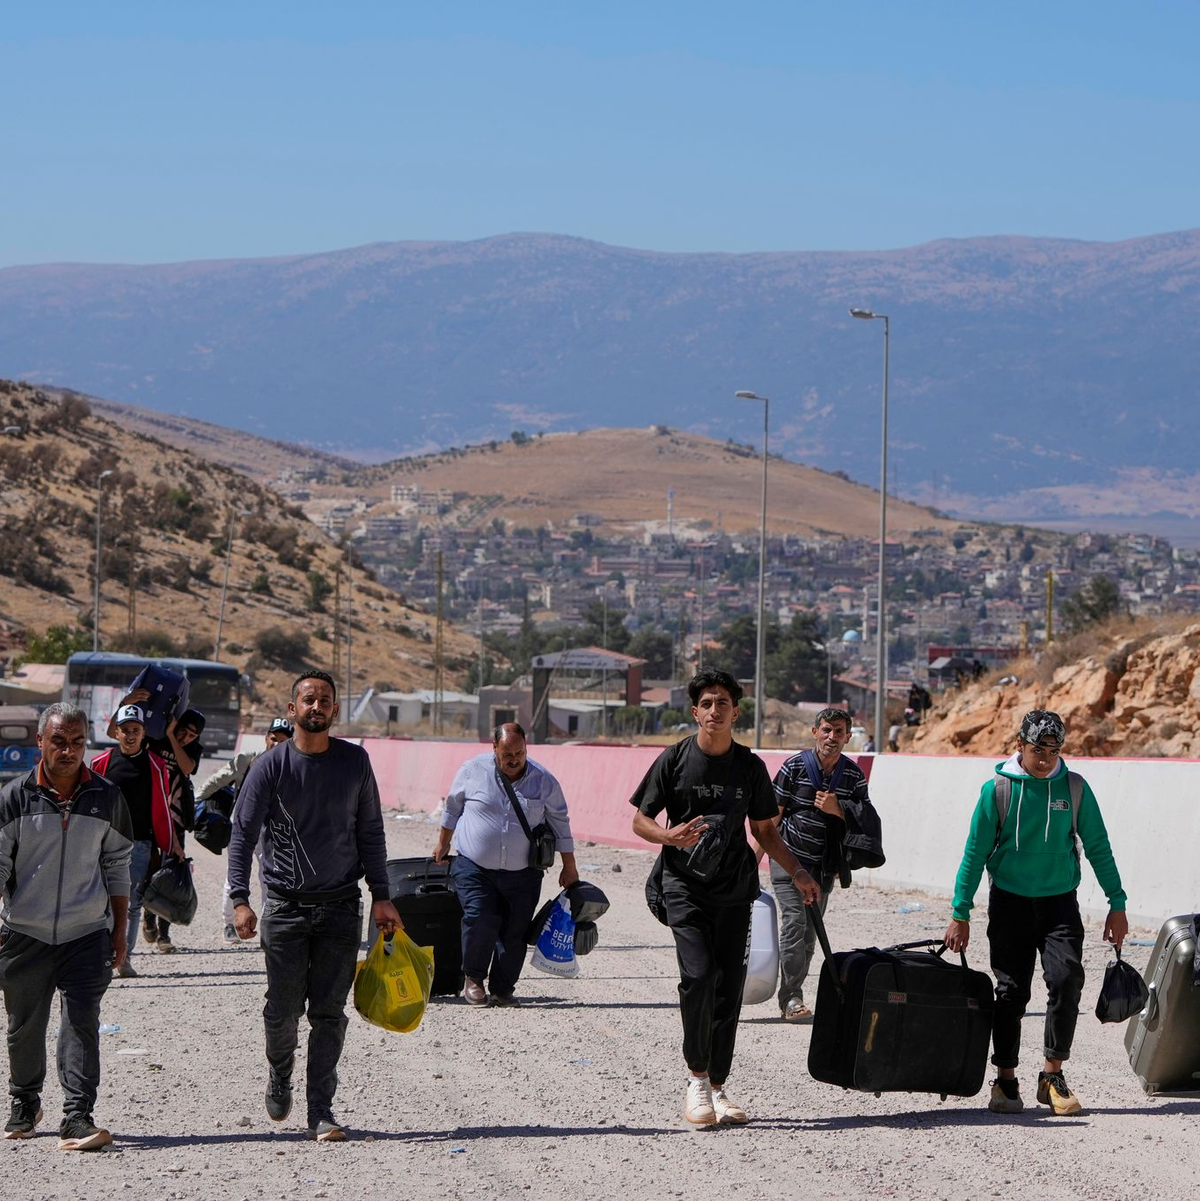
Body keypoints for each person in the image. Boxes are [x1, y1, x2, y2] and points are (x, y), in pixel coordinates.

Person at [631, 668, 821, 1127]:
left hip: (735, 890)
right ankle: (696, 1079)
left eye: (723, 704)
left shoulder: (750, 767)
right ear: (695, 711)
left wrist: (797, 872)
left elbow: (764, 831)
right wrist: (668, 835)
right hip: (683, 885)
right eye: (707, 703)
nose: (715, 711)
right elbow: (640, 820)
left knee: (728, 986)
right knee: (698, 977)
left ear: (736, 712)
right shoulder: (674, 759)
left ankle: (718, 1085)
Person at [228, 671, 401, 1142]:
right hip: (284, 908)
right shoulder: (270, 767)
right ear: (292, 709)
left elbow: (371, 833)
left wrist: (382, 895)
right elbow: (242, 834)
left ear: (335, 711)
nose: (317, 706)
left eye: (325, 699)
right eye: (308, 699)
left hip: (341, 907)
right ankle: (280, 1073)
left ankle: (320, 1109)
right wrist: (240, 899)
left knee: (329, 1013)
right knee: (282, 1010)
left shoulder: (355, 763)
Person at [943, 709, 1128, 1117]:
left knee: (1067, 979)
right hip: (1009, 902)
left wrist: (1118, 903)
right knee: (1011, 992)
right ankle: (1006, 1081)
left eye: (1053, 749)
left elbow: (1098, 846)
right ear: (1020, 747)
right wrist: (960, 911)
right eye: (1036, 749)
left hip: (1060, 902)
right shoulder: (998, 790)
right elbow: (975, 853)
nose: (1045, 758)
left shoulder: (1075, 788)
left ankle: (1052, 1076)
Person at [0, 703, 132, 1150]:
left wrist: (118, 929)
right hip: (24, 934)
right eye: (59, 741)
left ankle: (77, 1116)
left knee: (81, 1024)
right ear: (40, 742)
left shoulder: (107, 797)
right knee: (24, 1026)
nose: (68, 751)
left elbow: (116, 864)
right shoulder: (14, 797)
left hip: (86, 933)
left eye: (77, 742)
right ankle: (24, 1103)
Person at [434, 722, 577, 1007]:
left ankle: (502, 988)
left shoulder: (544, 781)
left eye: (519, 753)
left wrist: (569, 866)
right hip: (475, 866)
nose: (514, 760)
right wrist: (443, 842)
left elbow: (561, 824)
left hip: (524, 873)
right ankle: (473, 978)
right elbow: (453, 807)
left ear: (526, 748)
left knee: (515, 931)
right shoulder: (472, 770)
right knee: (480, 917)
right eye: (506, 755)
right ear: (494, 749)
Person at [763, 707, 876, 1022]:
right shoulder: (794, 767)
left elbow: (864, 818)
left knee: (811, 931)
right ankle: (791, 997)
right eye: (827, 730)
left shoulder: (853, 775)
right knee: (795, 923)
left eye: (839, 731)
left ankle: (793, 989)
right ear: (815, 731)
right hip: (788, 859)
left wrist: (838, 808)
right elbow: (772, 816)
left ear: (847, 737)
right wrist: (753, 858)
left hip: (824, 866)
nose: (832, 737)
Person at [91, 705, 180, 978]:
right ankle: (103, 958)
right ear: (116, 732)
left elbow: (163, 808)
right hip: (103, 843)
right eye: (125, 730)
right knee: (101, 903)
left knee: (131, 905)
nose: (130, 735)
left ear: (143, 734)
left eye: (136, 730)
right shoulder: (101, 763)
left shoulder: (155, 765)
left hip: (139, 844)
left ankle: (124, 959)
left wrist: (172, 844)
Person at [198, 717, 293, 943]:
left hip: (271, 831)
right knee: (235, 876)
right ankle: (229, 924)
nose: (277, 744)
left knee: (268, 877)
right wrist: (197, 802)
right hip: (242, 827)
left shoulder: (292, 765)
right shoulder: (247, 761)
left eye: (283, 740)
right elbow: (217, 780)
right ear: (266, 737)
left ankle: (269, 924)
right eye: (274, 738)